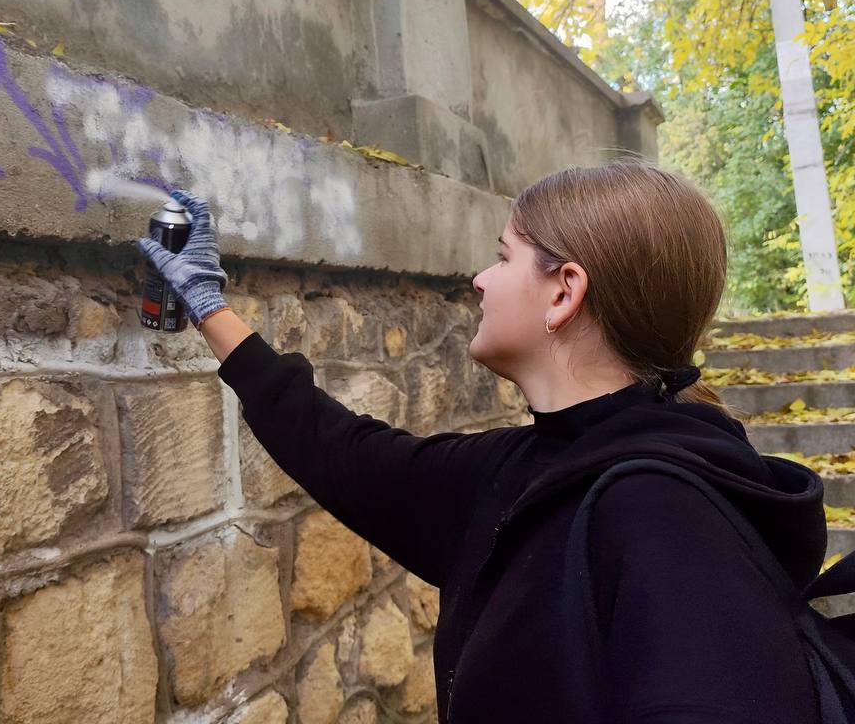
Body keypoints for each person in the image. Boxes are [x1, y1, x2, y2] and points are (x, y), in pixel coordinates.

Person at [137, 160, 828, 724]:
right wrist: (209, 306)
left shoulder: (668, 521)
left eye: (503, 257)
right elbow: (346, 454)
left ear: (564, 293)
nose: (480, 278)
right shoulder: (527, 469)